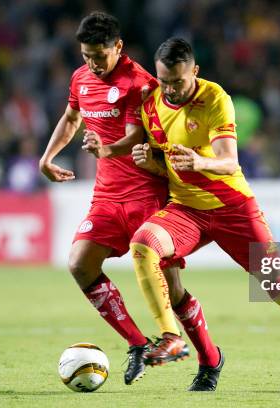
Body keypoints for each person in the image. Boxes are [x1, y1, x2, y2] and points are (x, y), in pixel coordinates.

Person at [129, 38, 280, 393]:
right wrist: (151, 162)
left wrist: (200, 162)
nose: (171, 89)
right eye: (164, 81)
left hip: (234, 210)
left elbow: (229, 162)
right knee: (143, 245)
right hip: (186, 209)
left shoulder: (215, 98)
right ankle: (170, 337)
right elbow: (168, 167)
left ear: (194, 71)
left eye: (178, 81)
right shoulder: (150, 106)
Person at [38, 12, 189, 386]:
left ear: (118, 47)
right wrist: (47, 156)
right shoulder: (80, 78)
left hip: (147, 193)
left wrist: (106, 150)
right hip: (106, 196)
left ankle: (206, 357)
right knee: (79, 264)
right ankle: (137, 343)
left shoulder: (139, 83)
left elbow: (138, 137)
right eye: (86, 55)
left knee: (171, 287)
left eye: (99, 56)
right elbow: (72, 117)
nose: (92, 63)